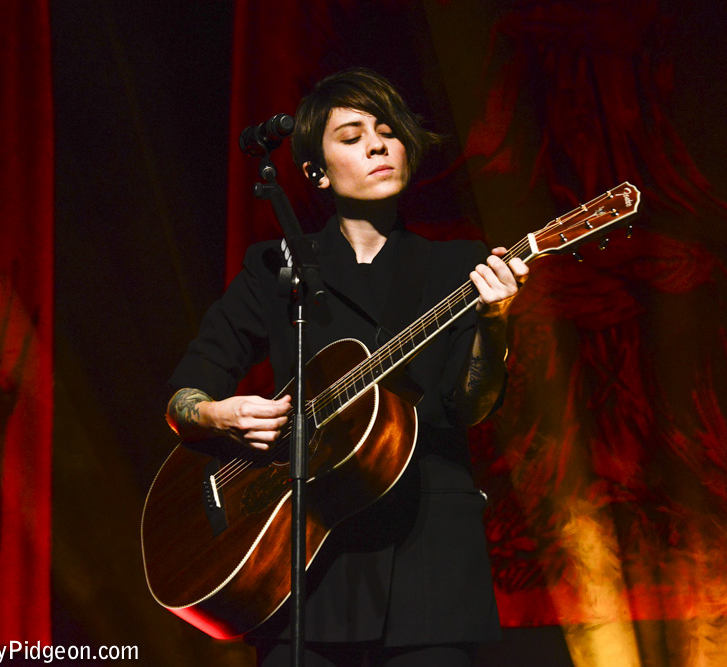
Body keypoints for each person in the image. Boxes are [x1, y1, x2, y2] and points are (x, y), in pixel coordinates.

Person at [166, 68, 528, 667]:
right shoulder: (273, 268)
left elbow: (471, 406)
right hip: (302, 565)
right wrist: (211, 413)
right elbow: (190, 386)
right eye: (353, 136)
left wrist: (494, 323)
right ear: (316, 171)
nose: (380, 146)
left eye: (389, 132)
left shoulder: (459, 267)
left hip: (427, 567)